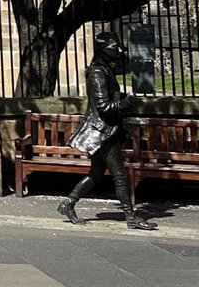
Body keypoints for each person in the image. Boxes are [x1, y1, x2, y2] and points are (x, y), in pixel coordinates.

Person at [57, 30, 155, 229]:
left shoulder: (105, 68)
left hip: (105, 128)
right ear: (103, 49)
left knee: (96, 173)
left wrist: (119, 99)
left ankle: (68, 203)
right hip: (103, 130)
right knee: (119, 175)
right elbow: (103, 106)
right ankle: (130, 216)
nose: (118, 50)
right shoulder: (98, 72)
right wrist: (125, 104)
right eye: (113, 47)